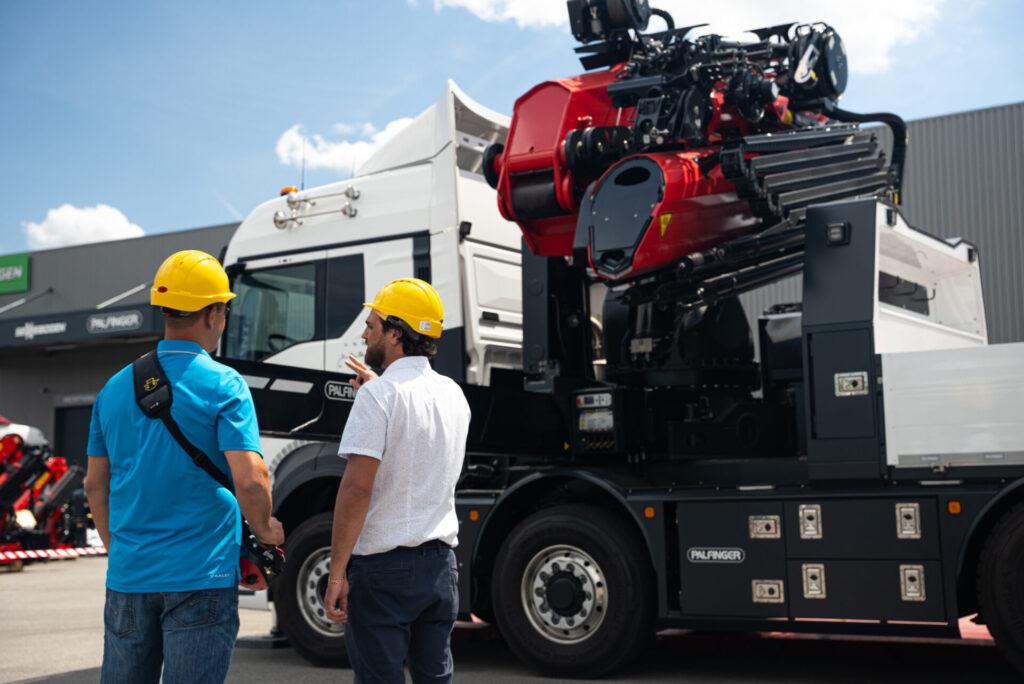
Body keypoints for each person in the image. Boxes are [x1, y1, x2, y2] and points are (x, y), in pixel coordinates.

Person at [83, 250, 284, 684]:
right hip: (201, 575)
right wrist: (266, 530)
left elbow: (95, 484)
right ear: (213, 314)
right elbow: (251, 479)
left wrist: (118, 548)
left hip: (128, 577)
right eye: (225, 310)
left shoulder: (113, 389)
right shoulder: (225, 384)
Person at [324, 278, 471, 684]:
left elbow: (356, 490)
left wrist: (337, 574)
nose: (364, 332)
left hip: (385, 570)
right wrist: (379, 389)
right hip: (441, 567)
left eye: (372, 323)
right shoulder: (454, 395)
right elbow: (418, 446)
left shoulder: (380, 398)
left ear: (394, 332)